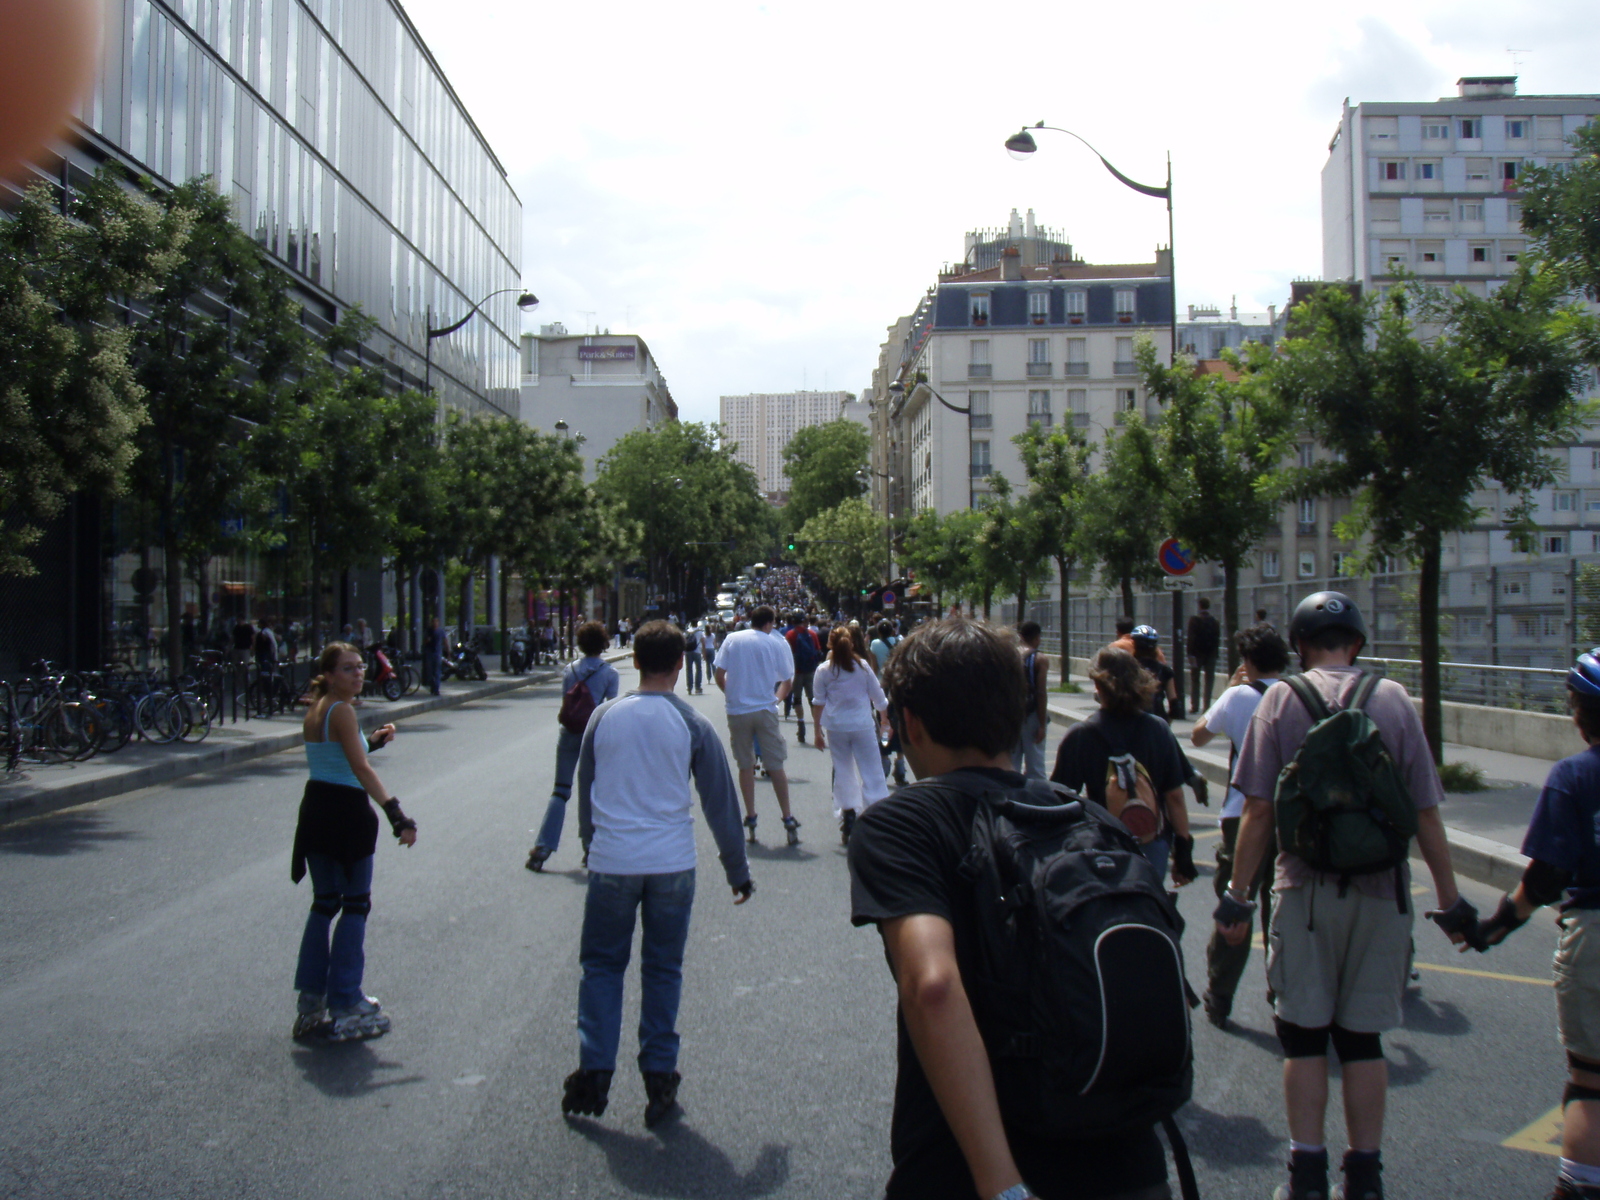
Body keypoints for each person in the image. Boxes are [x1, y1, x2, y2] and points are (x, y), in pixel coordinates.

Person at [848, 618, 1172, 1200]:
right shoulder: (1088, 819)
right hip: (1127, 1158)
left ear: (910, 723)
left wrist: (1003, 1186)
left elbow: (934, 987)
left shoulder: (906, 822)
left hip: (971, 1167)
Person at [1218, 591, 1472, 1200]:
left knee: (1303, 1036)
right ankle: (1364, 1177)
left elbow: (1257, 810)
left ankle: (1305, 1174)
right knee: (1362, 1041)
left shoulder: (1280, 699)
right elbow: (1426, 814)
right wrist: (1451, 899)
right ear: (1357, 642)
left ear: (1301, 646)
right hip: (1383, 894)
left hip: (1304, 890)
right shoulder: (1392, 700)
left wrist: (1237, 896)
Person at [562, 620, 754, 1125]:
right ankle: (660, 1076)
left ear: (637, 661)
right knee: (663, 969)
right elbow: (719, 802)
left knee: (602, 967)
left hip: (613, 862)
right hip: (672, 864)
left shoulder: (604, 718)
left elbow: (588, 790)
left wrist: (590, 845)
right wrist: (737, 870)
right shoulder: (692, 724)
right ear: (677, 664)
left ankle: (595, 1072)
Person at [1458, 648, 1600, 1200]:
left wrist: (1495, 927)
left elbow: (1546, 878)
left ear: (1579, 713)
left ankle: (1580, 1187)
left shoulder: (1573, 777)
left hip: (1594, 930)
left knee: (1590, 1080)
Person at [290, 642, 414, 1042]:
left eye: (361, 667)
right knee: (356, 904)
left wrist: (373, 741)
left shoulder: (319, 707)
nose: (358, 674)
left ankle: (311, 1001)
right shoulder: (342, 710)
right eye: (347, 669)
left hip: (315, 811)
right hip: (345, 814)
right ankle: (345, 999)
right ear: (328, 674)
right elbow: (358, 768)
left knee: (325, 904)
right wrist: (397, 814)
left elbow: (341, 754)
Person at [1188, 622, 1290, 1028]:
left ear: (1247, 661)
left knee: (1236, 905)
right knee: (1282, 909)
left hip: (1241, 815)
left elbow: (1198, 736)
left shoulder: (1237, 696)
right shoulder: (1299, 695)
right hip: (1290, 817)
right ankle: (1283, 992)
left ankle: (1220, 995)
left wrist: (1227, 692)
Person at [1052, 647, 1195, 886]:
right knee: (1148, 906)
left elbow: (1061, 798)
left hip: (1101, 842)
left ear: (1098, 686)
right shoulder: (1158, 730)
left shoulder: (1081, 735)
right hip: (1150, 840)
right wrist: (1182, 851)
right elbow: (1175, 796)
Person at [528, 621, 620, 872]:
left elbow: (566, 700)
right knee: (591, 792)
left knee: (560, 791)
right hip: (593, 735)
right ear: (603, 644)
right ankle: (590, 847)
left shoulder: (570, 670)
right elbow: (610, 708)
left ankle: (543, 847)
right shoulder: (609, 673)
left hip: (569, 732)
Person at [714, 605, 799, 844]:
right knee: (775, 765)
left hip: (738, 710)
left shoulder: (732, 639)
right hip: (764, 708)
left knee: (745, 765)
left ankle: (751, 815)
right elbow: (787, 680)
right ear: (770, 623)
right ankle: (787, 816)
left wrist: (730, 694)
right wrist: (777, 699)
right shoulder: (775, 642)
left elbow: (719, 674)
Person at [812, 625, 890, 843]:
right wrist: (884, 720)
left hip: (837, 727)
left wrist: (817, 731)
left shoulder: (824, 670)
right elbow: (878, 696)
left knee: (844, 771)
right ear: (853, 644)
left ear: (830, 645)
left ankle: (848, 816)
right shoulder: (863, 666)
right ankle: (878, 818)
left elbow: (818, 703)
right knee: (872, 771)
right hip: (863, 725)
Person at [1012, 620, 1050, 780]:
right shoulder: (1039, 659)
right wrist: (1042, 724)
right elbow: (1040, 692)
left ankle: (1010, 799)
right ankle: (1036, 800)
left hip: (1011, 715)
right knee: (1035, 765)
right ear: (1037, 637)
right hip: (1032, 715)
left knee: (1011, 763)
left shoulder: (1008, 655)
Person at [784, 610, 826, 748]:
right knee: (812, 700)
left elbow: (787, 653)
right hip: (810, 671)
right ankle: (817, 728)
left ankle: (801, 723)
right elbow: (818, 651)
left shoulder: (790, 635)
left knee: (797, 699)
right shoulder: (812, 634)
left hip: (796, 672)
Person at [1131, 625, 1178, 724]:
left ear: (1134, 645)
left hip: (1131, 722)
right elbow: (1175, 705)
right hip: (1157, 721)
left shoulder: (1126, 668)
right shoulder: (1165, 671)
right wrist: (1166, 724)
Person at [1186, 598, 1221, 715]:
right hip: (1211, 654)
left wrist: (1189, 653)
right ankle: (1207, 706)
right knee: (1209, 680)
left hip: (1197, 654)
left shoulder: (1194, 620)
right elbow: (1217, 639)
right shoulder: (1215, 621)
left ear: (1200, 606)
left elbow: (1191, 638)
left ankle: (1194, 705)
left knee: (1195, 679)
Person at [423, 615, 445, 695]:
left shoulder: (440, 631)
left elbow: (445, 640)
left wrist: (448, 652)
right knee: (430, 672)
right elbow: (424, 641)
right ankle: (433, 686)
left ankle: (436, 689)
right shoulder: (428, 631)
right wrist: (427, 640)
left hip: (437, 653)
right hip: (430, 653)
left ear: (438, 623)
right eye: (433, 622)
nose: (435, 623)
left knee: (437, 672)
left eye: (436, 622)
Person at [683, 623, 704, 694]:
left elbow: (683, 642)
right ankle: (698, 687)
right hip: (697, 651)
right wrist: (704, 653)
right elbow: (703, 642)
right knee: (698, 669)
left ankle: (689, 687)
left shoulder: (686, 632)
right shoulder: (700, 632)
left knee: (689, 669)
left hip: (688, 652)